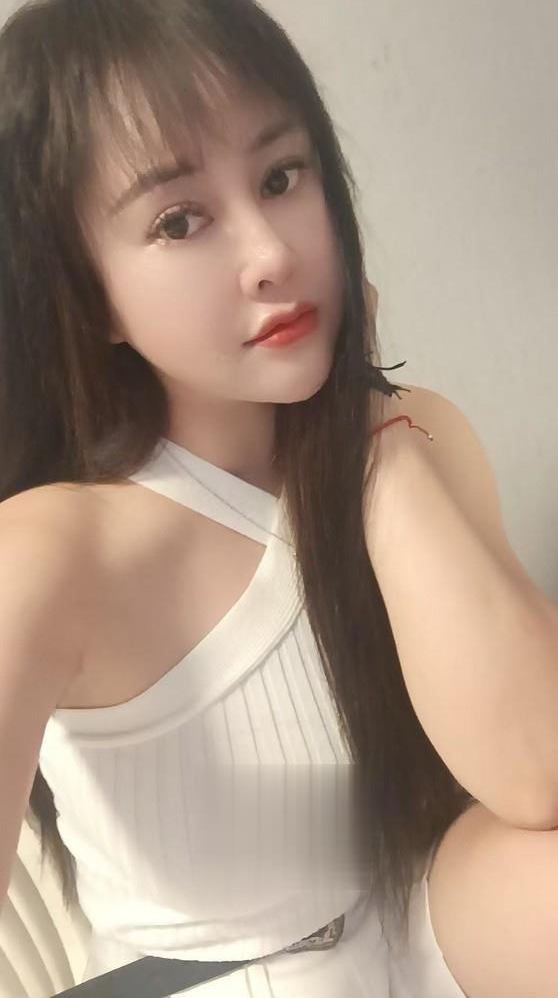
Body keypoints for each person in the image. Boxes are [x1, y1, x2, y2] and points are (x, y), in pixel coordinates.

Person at [0, 1, 557, 995]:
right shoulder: (54, 551)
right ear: (83, 293)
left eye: (280, 176)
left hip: (421, 926)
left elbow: (539, 773)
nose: (272, 253)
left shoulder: (417, 434)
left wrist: (371, 439)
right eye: (179, 220)